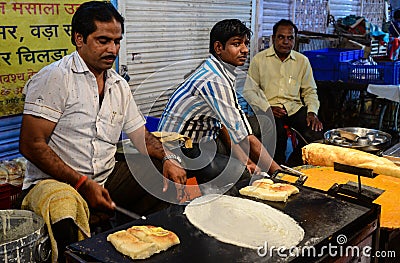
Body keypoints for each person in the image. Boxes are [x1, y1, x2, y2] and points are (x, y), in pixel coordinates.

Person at [18, 1, 186, 262]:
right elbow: (31, 145)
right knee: (64, 202)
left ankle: (147, 245)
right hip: (58, 184)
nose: (113, 49)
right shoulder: (55, 78)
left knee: (163, 175)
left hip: (105, 179)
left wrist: (167, 158)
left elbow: (140, 134)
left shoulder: (118, 85)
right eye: (103, 40)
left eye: (117, 41)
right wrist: (82, 184)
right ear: (79, 39)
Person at [158, 19, 281, 189]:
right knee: (245, 176)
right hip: (180, 149)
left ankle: (214, 188)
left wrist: (248, 161)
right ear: (218, 48)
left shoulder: (220, 71)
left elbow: (224, 125)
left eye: (245, 43)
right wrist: (279, 174)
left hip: (203, 140)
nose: (245, 50)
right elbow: (245, 136)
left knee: (259, 133)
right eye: (236, 44)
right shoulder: (214, 80)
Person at [243, 19, 324, 166]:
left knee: (316, 136)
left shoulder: (302, 61)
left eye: (290, 38)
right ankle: (277, 172)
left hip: (294, 109)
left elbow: (310, 91)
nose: (285, 41)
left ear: (294, 40)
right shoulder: (259, 60)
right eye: (281, 37)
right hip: (269, 109)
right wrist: (267, 108)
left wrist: (312, 112)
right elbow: (249, 91)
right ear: (273, 38)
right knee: (277, 137)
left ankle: (293, 165)